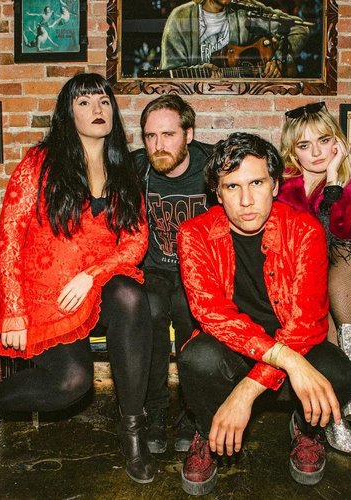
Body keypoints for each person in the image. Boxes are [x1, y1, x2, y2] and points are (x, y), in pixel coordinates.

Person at [0, 73, 155, 484]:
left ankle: (133, 431)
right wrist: (13, 312)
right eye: (84, 102)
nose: (97, 109)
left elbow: (136, 240)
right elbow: (10, 236)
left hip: (95, 287)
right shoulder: (39, 163)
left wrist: (92, 276)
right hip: (46, 294)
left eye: (104, 101)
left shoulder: (123, 170)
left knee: (132, 296)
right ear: (67, 113)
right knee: (71, 382)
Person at [177, 132, 351, 495]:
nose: (246, 200)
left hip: (293, 342)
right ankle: (209, 429)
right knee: (198, 359)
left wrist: (245, 392)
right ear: (217, 192)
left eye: (256, 183)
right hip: (233, 346)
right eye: (232, 186)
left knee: (339, 373)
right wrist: (286, 360)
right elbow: (212, 314)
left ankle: (306, 429)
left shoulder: (304, 231)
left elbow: (307, 324)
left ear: (275, 185)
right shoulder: (194, 234)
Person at [278, 101, 351, 455]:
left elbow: (345, 235)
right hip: (290, 282)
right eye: (304, 145)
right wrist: (327, 185)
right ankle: (340, 410)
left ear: (337, 143)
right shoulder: (280, 186)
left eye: (324, 140)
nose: (316, 152)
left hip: (340, 282)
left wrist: (335, 181)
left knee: (345, 250)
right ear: (292, 150)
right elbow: (301, 242)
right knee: (317, 284)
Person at [133, 95, 215, 454]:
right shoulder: (138, 168)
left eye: (168, 135)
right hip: (154, 268)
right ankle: (154, 412)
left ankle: (191, 416)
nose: (158, 145)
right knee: (149, 310)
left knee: (187, 310)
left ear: (189, 134)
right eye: (150, 136)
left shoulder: (213, 165)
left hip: (199, 270)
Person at [160, 0, 310, 78]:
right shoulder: (180, 18)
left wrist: (279, 61)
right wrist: (200, 72)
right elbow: (168, 75)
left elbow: (298, 27)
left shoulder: (245, 11)